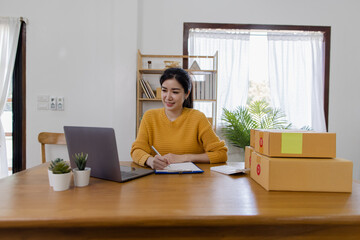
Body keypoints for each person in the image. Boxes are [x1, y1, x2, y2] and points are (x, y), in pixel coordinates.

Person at [131, 68, 227, 170]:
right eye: (164, 90)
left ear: (186, 94)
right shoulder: (149, 117)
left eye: (175, 92)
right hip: (157, 180)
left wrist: (184, 157)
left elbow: (221, 154)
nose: (168, 97)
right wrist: (149, 160)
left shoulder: (198, 118)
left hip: (192, 181)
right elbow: (137, 150)